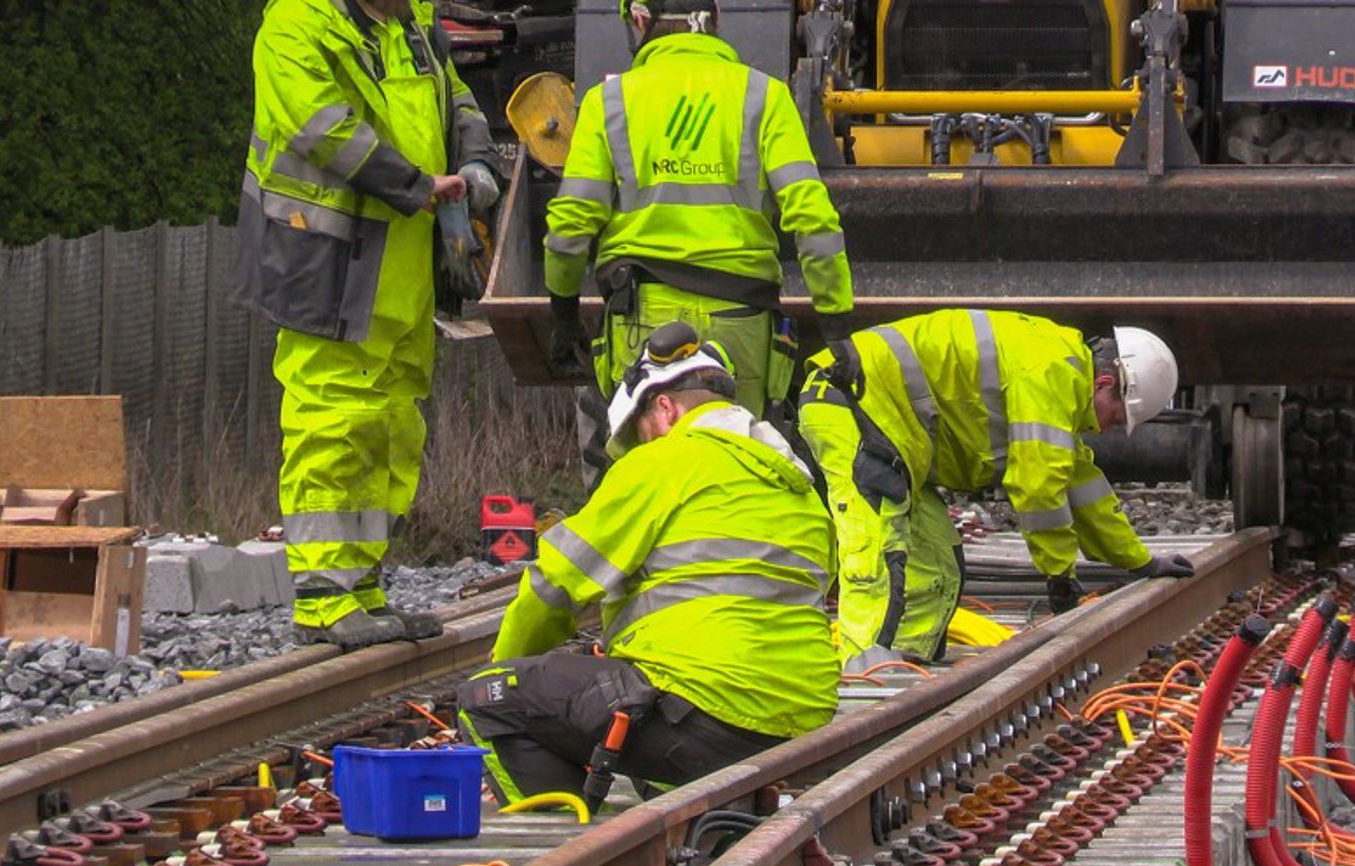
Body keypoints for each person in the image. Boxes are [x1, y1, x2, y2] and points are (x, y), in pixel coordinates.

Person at [457, 322, 838, 801]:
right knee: (631, 722)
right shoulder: (797, 485)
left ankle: (566, 846)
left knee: (487, 698)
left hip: (706, 715)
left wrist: (510, 669)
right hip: (799, 721)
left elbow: (551, 588)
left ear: (664, 406)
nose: (639, 446)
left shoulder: (663, 462)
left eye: (640, 433)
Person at [235, 0, 503, 648]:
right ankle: (325, 598)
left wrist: (475, 162)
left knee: (391, 427)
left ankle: (361, 586)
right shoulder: (297, 24)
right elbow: (322, 127)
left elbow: (456, 97)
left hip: (400, 267)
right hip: (326, 261)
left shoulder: (409, 20)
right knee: (333, 421)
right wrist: (419, 185)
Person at [543, 0, 855, 486]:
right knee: (739, 477)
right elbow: (813, 219)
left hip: (641, 324)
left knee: (638, 489)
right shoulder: (764, 97)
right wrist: (835, 323)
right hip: (743, 328)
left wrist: (563, 316)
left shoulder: (611, 103)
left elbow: (569, 229)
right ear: (715, 23)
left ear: (640, 21)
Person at [798, 310, 1190, 673]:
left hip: (888, 424)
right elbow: (1038, 489)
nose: (1109, 429)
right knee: (879, 552)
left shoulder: (1058, 371)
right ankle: (865, 678)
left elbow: (1083, 489)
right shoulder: (1051, 372)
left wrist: (1140, 562)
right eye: (1116, 416)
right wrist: (1058, 577)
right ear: (1104, 384)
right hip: (850, 399)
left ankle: (904, 669)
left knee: (936, 563)